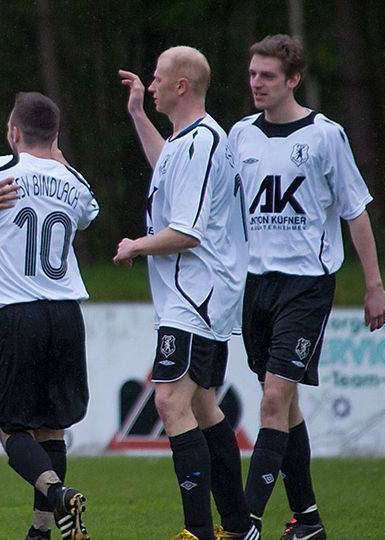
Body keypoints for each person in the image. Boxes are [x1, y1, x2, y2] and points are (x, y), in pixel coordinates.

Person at [229, 34, 385, 540]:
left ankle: (244, 521)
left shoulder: (325, 135)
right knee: (286, 403)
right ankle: (310, 522)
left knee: (275, 400)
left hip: (306, 286)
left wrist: (374, 286)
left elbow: (355, 211)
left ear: (293, 80)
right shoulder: (240, 135)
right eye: (253, 74)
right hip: (256, 286)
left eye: (268, 76)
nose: (257, 83)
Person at [115, 47, 258, 540]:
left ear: (181, 86)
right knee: (202, 408)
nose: (149, 85)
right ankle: (239, 527)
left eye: (156, 80)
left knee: (169, 405)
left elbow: (188, 232)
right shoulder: (187, 141)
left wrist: (136, 245)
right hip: (198, 296)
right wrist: (136, 113)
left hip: (195, 296)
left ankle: (198, 530)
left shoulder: (201, 143)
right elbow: (165, 168)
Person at [0, 92, 98, 540]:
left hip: (17, 318)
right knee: (52, 426)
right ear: (55, 135)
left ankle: (58, 496)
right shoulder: (73, 180)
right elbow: (85, 215)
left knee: (11, 428)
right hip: (64, 314)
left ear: (13, 133)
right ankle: (40, 533)